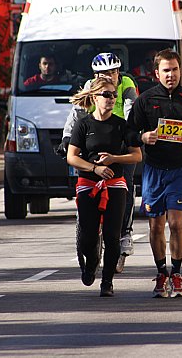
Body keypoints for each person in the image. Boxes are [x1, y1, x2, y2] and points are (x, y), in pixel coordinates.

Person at [127, 49, 182, 298]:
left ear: (180, 71)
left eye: (175, 69)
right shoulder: (146, 100)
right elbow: (130, 132)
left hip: (180, 169)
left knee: (176, 223)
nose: (171, 75)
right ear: (157, 73)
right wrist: (142, 136)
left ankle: (177, 274)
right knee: (156, 227)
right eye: (166, 70)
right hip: (154, 170)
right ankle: (161, 272)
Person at [58, 52, 139, 272]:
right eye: (104, 73)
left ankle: (125, 232)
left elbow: (131, 111)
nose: (109, 76)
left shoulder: (127, 84)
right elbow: (75, 114)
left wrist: (130, 136)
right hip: (92, 139)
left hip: (119, 139)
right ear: (95, 75)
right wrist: (67, 137)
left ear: (118, 72)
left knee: (127, 183)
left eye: (113, 72)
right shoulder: (90, 86)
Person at [66, 77, 142, 297]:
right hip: (88, 183)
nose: (111, 99)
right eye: (106, 95)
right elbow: (72, 157)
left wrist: (114, 159)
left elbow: (136, 155)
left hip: (115, 184)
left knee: (112, 235)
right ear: (94, 97)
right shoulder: (84, 124)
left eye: (114, 95)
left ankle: (107, 282)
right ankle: (91, 264)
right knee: (88, 236)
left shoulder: (121, 124)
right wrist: (94, 168)